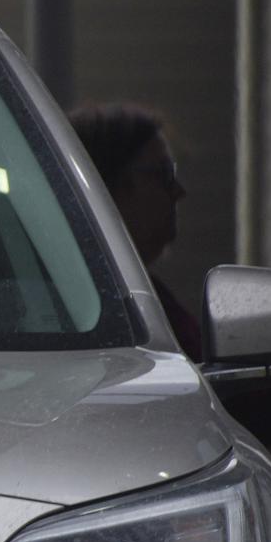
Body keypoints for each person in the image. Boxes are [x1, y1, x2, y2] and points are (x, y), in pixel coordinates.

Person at [67, 100, 204, 360]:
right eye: (163, 174)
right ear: (105, 188)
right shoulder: (100, 323)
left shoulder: (151, 303)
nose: (178, 192)